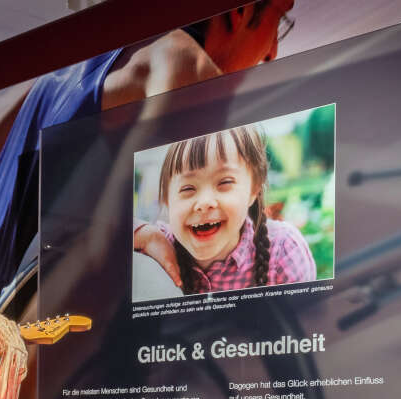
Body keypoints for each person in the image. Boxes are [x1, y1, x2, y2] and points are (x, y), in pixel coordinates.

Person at [0, 0, 296, 399]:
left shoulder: (67, 70)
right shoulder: (188, 67)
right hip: (3, 358)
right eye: (280, 20)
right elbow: (100, 244)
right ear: (239, 11)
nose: (273, 52)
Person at [135, 124, 316, 294]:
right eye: (188, 188)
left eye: (224, 182)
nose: (204, 202)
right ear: (167, 199)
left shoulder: (283, 249)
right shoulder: (157, 247)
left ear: (254, 190)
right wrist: (148, 235)